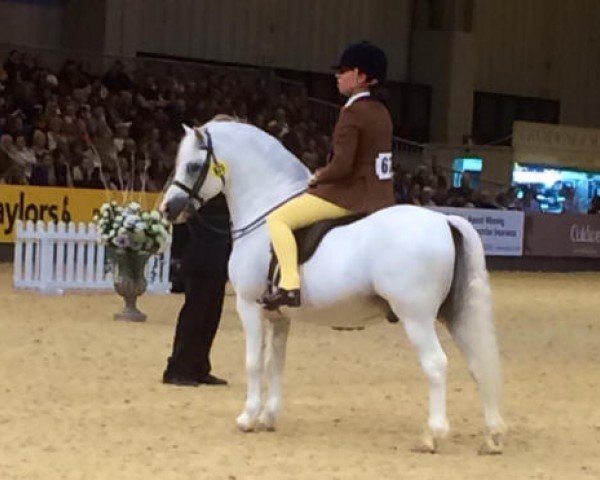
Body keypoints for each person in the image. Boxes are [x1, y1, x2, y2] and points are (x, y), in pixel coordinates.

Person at [260, 41, 395, 310]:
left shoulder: (353, 112)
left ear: (361, 76)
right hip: (382, 196)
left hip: (351, 196)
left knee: (278, 219)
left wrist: (319, 176)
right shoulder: (381, 111)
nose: (338, 75)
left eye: (344, 70)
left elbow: (343, 166)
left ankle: (288, 285)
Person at [162, 194, 231, 386]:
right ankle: (177, 368)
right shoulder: (192, 199)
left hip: (218, 261)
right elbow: (180, 228)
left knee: (211, 316)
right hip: (198, 261)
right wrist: (179, 259)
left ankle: (199, 367)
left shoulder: (225, 200)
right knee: (194, 314)